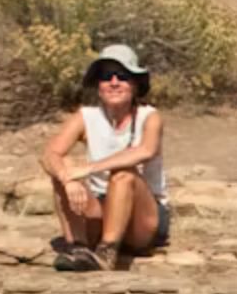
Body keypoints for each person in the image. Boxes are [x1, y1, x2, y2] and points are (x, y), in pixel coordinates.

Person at [40, 44, 170, 271]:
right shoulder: (86, 116)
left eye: (122, 76)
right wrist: (67, 177)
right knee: (63, 171)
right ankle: (77, 247)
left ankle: (107, 251)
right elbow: (50, 153)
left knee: (123, 174)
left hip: (143, 216)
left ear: (135, 84)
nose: (114, 82)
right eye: (105, 76)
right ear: (98, 85)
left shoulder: (150, 117)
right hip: (103, 206)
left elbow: (145, 151)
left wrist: (89, 168)